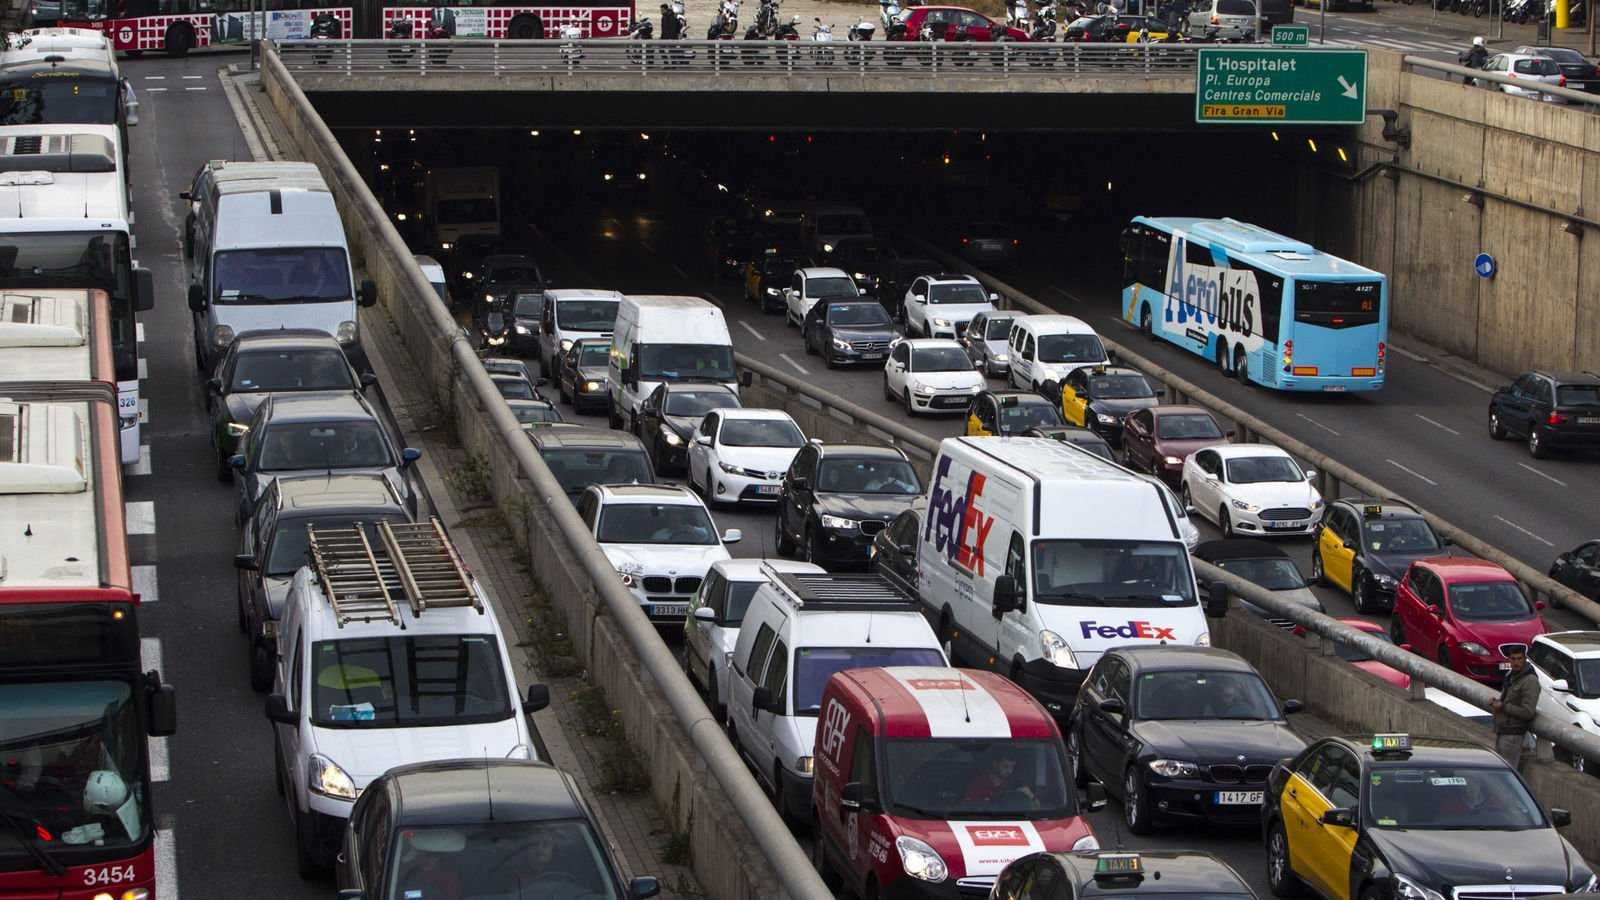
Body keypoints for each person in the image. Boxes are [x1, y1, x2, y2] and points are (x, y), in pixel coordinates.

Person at [1490, 644, 1539, 767]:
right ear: (1508, 659)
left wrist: (1503, 707)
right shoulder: (1511, 675)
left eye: (1519, 658)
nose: (1516, 662)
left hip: (1513, 734)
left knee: (1506, 772)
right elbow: (1508, 699)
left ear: (1525, 659)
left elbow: (1528, 712)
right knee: (1500, 771)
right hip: (1503, 730)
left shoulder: (1530, 681)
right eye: (1513, 659)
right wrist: (1496, 702)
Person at [964, 750, 1035, 804]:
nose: (1009, 771)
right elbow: (968, 806)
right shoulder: (979, 782)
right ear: (995, 764)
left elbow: (1037, 807)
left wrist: (1032, 797)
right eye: (1005, 766)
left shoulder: (1016, 782)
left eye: (1012, 767)